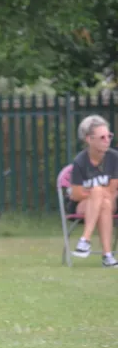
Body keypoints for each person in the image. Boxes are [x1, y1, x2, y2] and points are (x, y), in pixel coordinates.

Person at [69, 114, 118, 267]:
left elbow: (112, 190)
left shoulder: (114, 158)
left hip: (110, 201)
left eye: (109, 135)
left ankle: (85, 240)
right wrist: (95, 194)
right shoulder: (80, 161)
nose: (107, 140)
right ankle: (107, 256)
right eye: (102, 137)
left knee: (103, 199)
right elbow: (76, 195)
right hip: (83, 205)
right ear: (89, 139)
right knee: (100, 197)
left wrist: (96, 192)